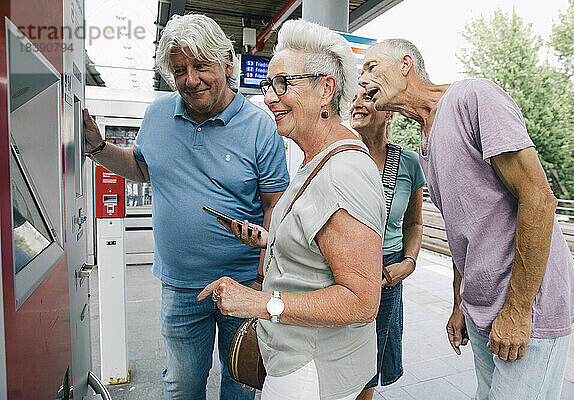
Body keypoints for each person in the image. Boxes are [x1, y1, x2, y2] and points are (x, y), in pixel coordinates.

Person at [358, 39, 574, 400]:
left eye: (371, 67)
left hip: (527, 308)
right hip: (481, 307)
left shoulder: (473, 97)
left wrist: (517, 310)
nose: (362, 79)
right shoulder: (425, 139)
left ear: (405, 64)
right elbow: (461, 230)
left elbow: (539, 198)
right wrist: (458, 304)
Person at [83, 13, 290, 400]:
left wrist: (263, 282)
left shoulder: (260, 126)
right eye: (180, 70)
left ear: (227, 63)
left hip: (243, 284)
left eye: (200, 65)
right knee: (181, 386)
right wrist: (98, 148)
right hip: (180, 286)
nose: (190, 79)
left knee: (242, 385)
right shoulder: (157, 115)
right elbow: (143, 168)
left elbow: (274, 207)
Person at [197, 19, 386, 400]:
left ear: (325, 89)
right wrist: (273, 239)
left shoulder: (341, 171)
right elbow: (322, 243)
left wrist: (258, 302)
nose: (270, 97)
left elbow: (362, 301)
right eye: (269, 85)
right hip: (299, 361)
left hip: (311, 374)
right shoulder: (316, 159)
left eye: (284, 84)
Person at [349, 89, 425, 400]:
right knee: (338, 349)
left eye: (367, 96)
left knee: (372, 355)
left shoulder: (407, 161)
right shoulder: (340, 154)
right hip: (342, 267)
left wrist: (408, 263)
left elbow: (414, 223)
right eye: (353, 97)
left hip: (388, 271)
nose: (357, 103)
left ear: (389, 110)